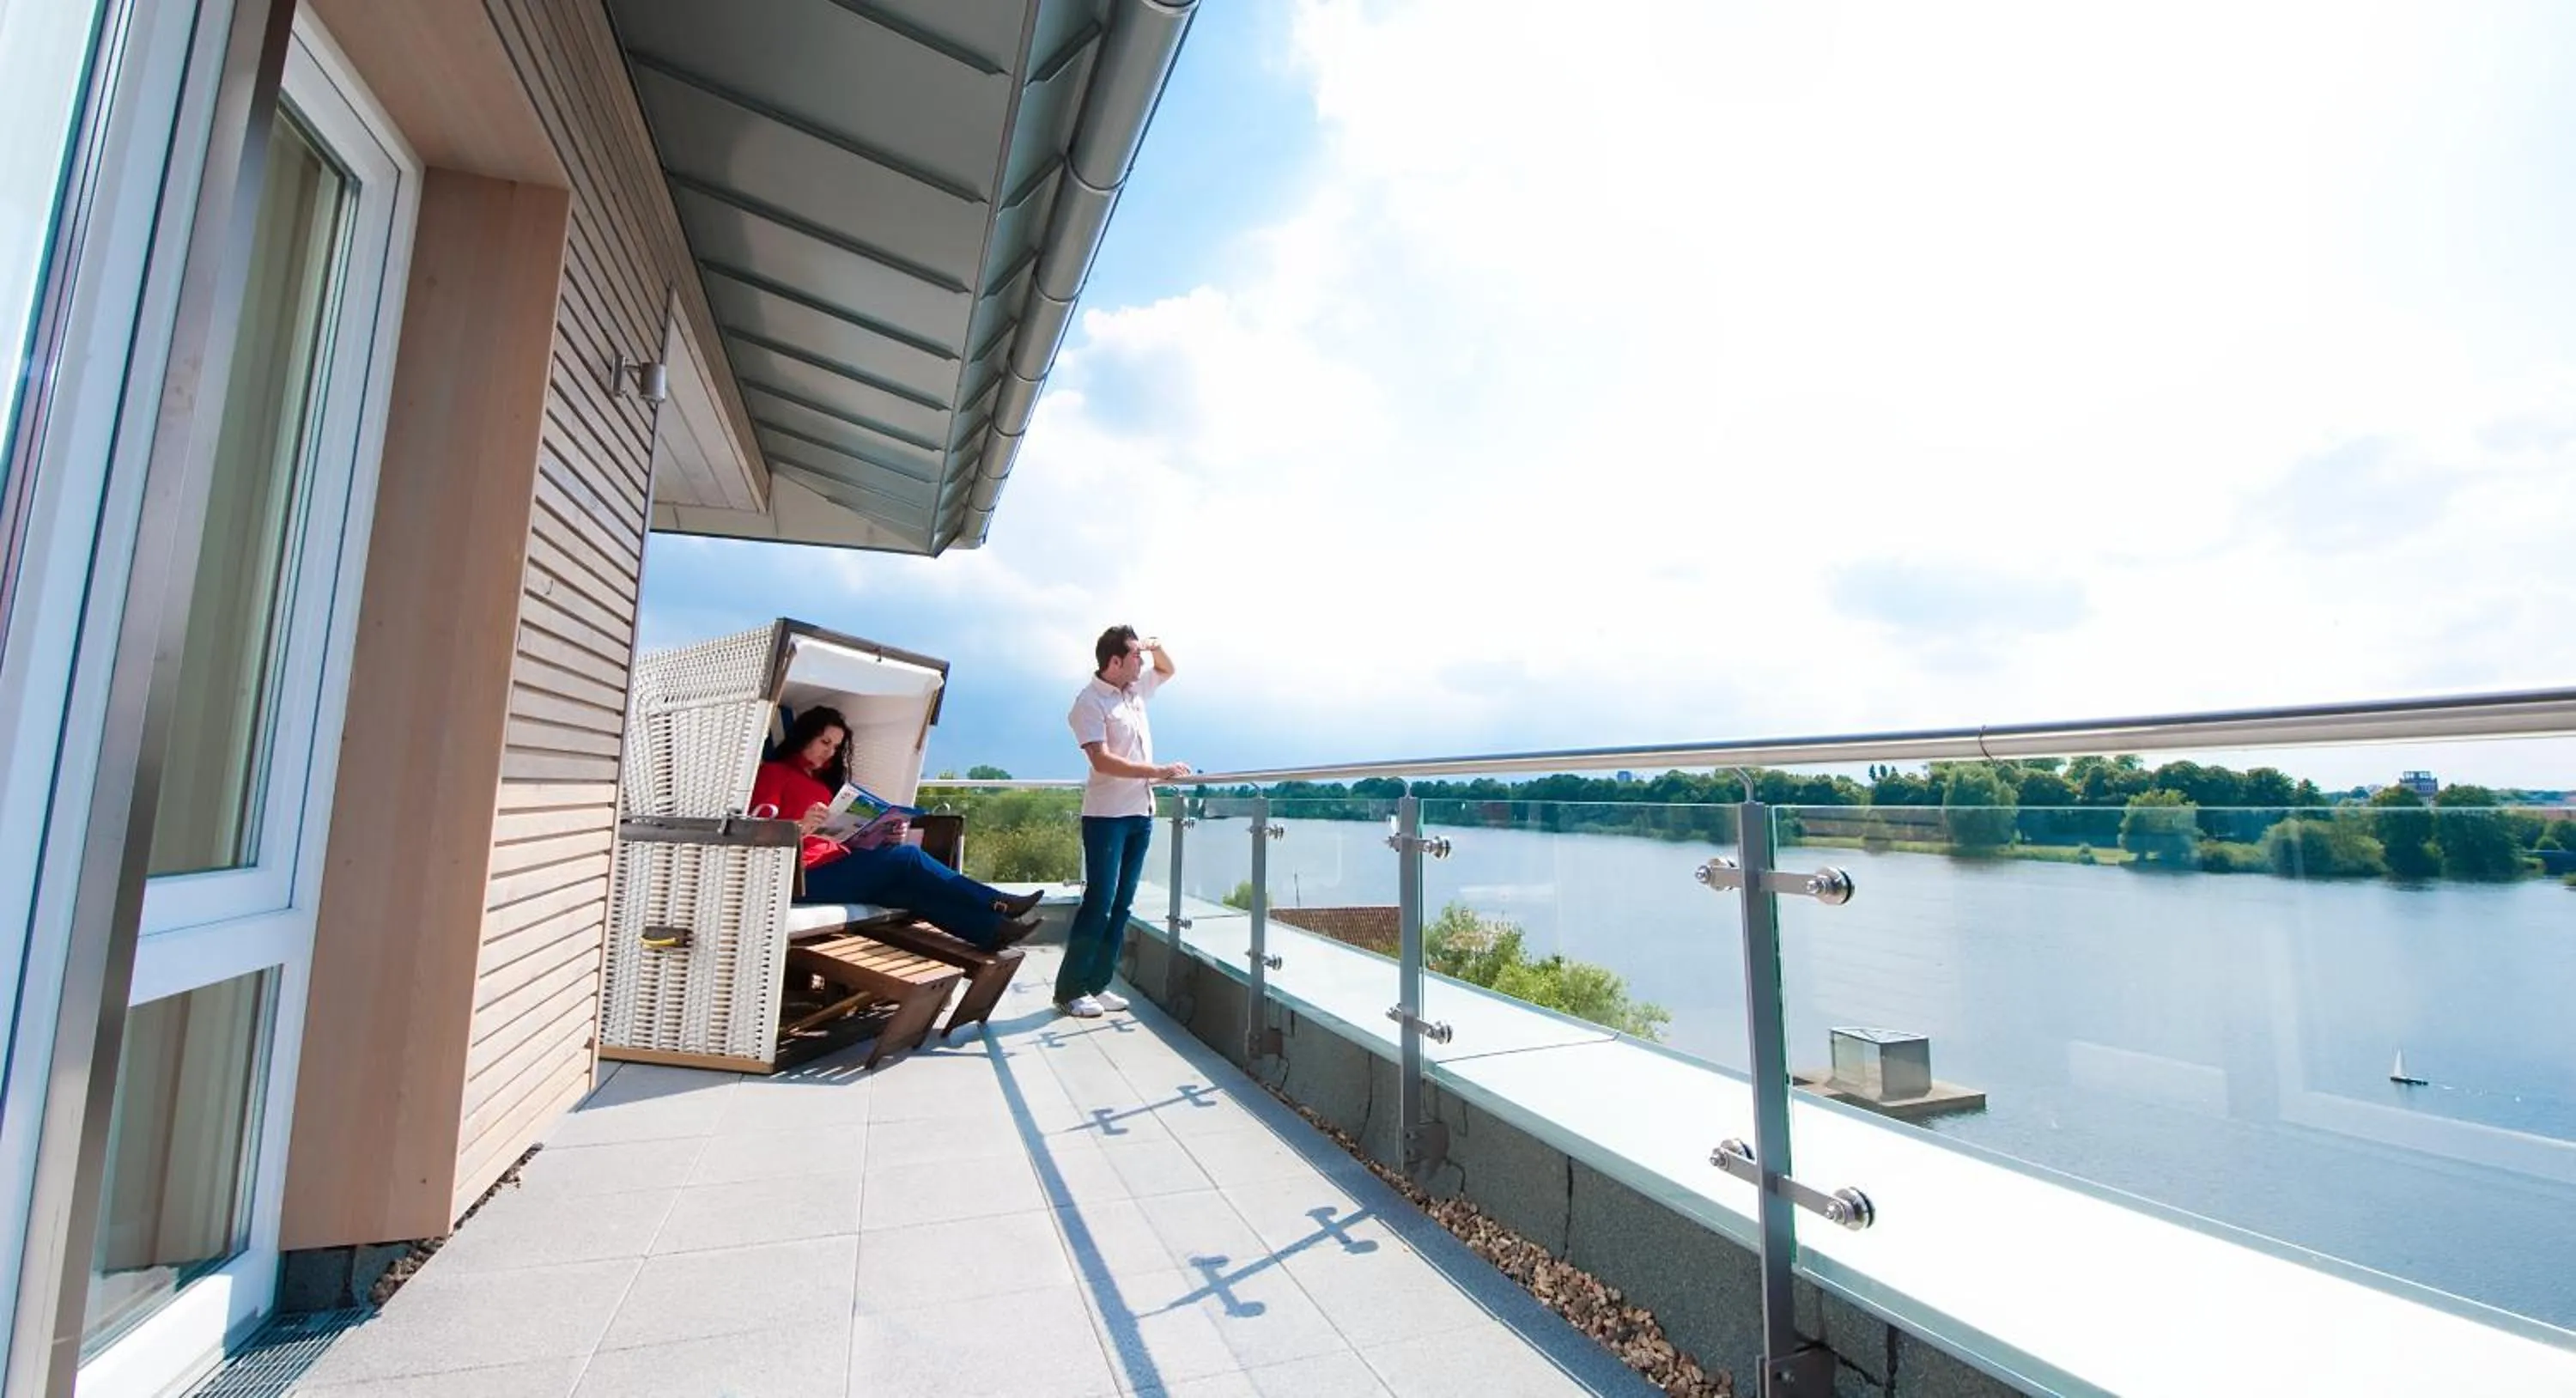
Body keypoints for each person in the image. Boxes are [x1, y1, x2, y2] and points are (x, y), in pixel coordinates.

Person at [751, 706, 1041, 950]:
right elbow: (756, 830)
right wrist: (801, 826)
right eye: (825, 742)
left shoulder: (823, 785)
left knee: (908, 894)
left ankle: (993, 932)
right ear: (805, 735)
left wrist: (883, 833)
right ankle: (995, 901)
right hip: (803, 876)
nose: (830, 752)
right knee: (907, 857)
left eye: (836, 747)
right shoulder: (774, 773)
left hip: (837, 866)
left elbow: (840, 838)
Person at [1058, 626, 1189, 1017]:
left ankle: (1097, 984)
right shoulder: (1089, 702)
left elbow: (1167, 669)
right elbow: (1101, 761)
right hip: (1106, 817)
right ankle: (1070, 990)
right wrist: (1158, 771)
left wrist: (1155, 645)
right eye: (1135, 655)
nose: (1142, 661)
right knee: (1099, 903)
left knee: (1122, 906)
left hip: (1140, 813)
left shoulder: (1133, 691)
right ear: (1114, 661)